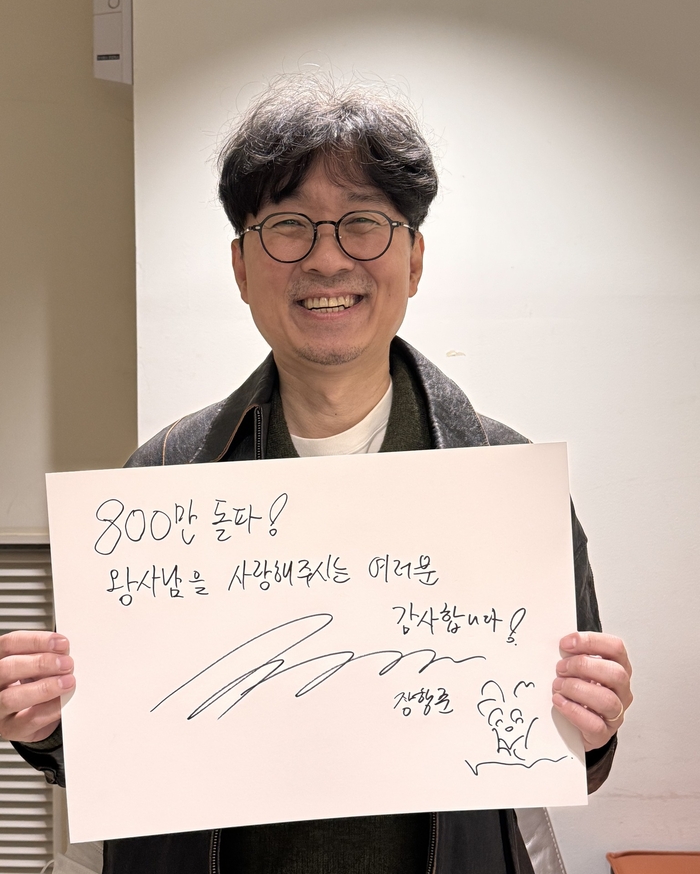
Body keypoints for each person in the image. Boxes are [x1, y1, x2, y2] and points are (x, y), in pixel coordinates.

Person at [0, 75, 632, 874]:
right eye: (288, 227)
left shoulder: (508, 483)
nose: (327, 258)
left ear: (414, 258)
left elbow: (570, 755)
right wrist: (46, 723)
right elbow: (108, 744)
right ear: (240, 265)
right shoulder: (158, 480)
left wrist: (594, 723)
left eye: (363, 222)